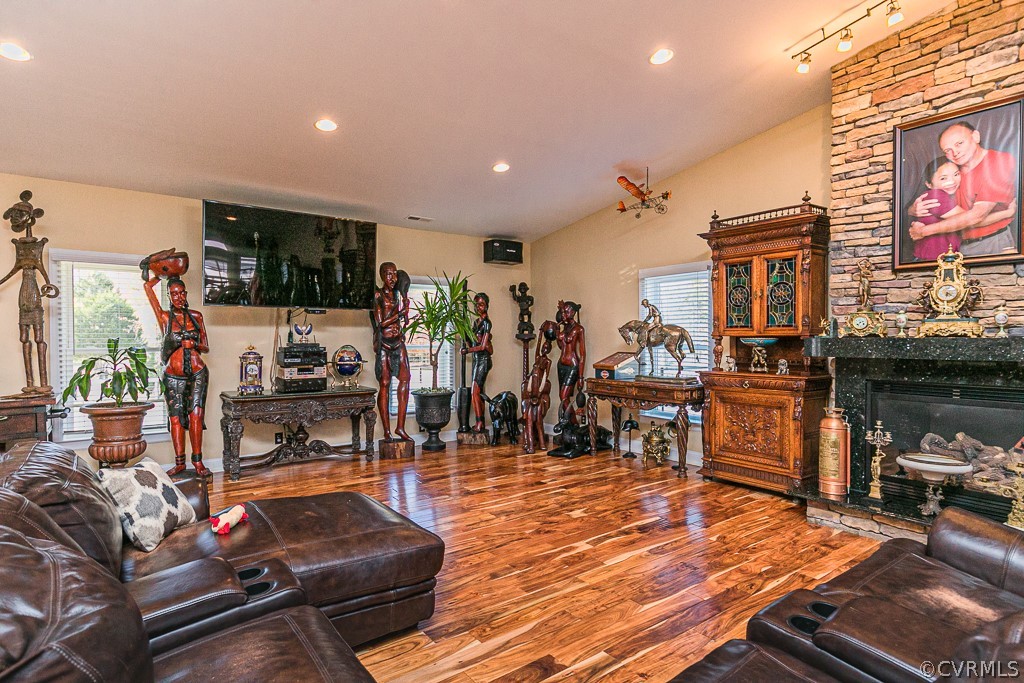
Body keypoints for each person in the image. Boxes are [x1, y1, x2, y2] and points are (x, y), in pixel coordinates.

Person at [909, 121, 1018, 257]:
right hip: (959, 246)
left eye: (959, 143)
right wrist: (913, 209)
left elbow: (976, 216)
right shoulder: (953, 169)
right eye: (947, 150)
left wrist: (923, 231)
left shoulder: (999, 162)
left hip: (991, 242)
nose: (955, 153)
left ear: (976, 137)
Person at [144, 274, 210, 477]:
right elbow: (148, 290)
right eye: (174, 294)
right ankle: (179, 463)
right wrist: (158, 274)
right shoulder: (164, 318)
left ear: (186, 293)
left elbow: (206, 347)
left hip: (197, 372)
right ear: (169, 296)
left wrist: (194, 344)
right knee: (175, 419)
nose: (178, 297)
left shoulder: (197, 317)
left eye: (181, 293)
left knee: (196, 416)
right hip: (173, 376)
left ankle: (198, 462)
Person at [1, 191, 59, 395]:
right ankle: (29, 382)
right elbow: (13, 270)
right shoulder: (21, 250)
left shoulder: (36, 248)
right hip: (23, 298)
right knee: (24, 339)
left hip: (34, 297)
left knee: (39, 339)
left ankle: (43, 382)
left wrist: (50, 287)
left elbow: (42, 271)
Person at [371, 262, 411, 441]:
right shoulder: (378, 294)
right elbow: (380, 323)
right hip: (384, 344)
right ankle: (387, 430)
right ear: (382, 275)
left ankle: (400, 428)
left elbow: (405, 320)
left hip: (398, 342)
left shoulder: (398, 294)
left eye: (394, 274)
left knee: (405, 378)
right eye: (388, 274)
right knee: (385, 384)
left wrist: (405, 307)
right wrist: (399, 314)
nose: (393, 278)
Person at [910, 158, 962, 261]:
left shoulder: (946, 195)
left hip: (935, 258)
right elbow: (972, 219)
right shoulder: (936, 195)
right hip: (933, 261)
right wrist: (1003, 214)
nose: (952, 181)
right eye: (943, 178)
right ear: (929, 184)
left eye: (956, 175)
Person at [460, 292, 493, 433]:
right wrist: (465, 333)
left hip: (484, 360)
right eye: (476, 304)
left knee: (474, 391)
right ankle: (481, 422)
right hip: (477, 360)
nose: (478, 307)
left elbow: (483, 346)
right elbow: (472, 341)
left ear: (486, 306)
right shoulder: (476, 323)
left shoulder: (486, 323)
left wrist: (467, 351)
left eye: (481, 304)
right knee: (477, 393)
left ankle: (480, 422)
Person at [521, 321, 555, 453]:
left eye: (546, 348)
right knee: (528, 420)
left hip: (540, 389)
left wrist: (540, 392)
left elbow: (546, 375)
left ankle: (540, 443)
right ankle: (529, 444)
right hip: (531, 388)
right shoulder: (537, 357)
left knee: (539, 423)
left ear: (549, 349)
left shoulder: (548, 362)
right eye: (543, 347)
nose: (544, 349)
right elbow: (537, 347)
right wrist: (540, 332)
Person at [554, 300, 586, 425]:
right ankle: (569, 424)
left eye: (566, 311)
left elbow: (583, 354)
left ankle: (574, 424)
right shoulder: (565, 328)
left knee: (563, 396)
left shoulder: (579, 329)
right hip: (561, 365)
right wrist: (557, 334)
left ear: (573, 312)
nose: (563, 314)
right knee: (562, 397)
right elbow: (561, 347)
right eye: (563, 312)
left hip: (572, 365)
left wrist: (581, 376)